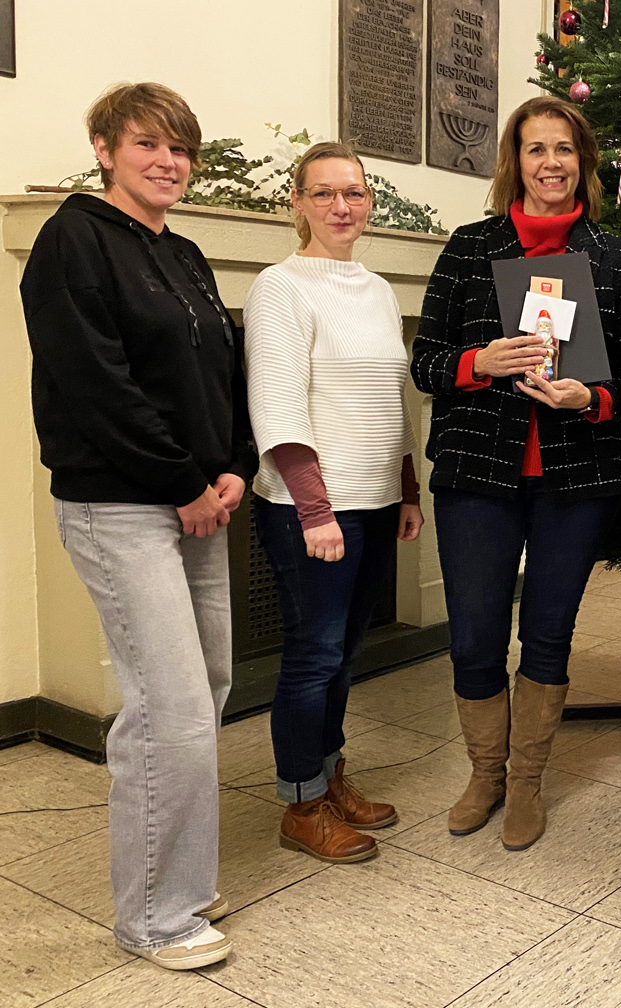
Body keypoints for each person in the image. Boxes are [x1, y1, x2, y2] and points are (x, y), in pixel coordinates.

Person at [20, 82, 255, 969]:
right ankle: (154, 918)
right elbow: (96, 385)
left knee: (206, 690)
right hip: (119, 503)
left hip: (198, 495)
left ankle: (178, 878)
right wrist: (185, 482)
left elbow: (221, 372)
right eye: (150, 144)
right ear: (105, 146)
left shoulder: (185, 252)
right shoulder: (72, 240)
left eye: (182, 149)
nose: (169, 162)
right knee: (171, 712)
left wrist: (232, 463)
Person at [411, 96, 621, 852]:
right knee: (476, 634)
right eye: (537, 149)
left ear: (584, 163)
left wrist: (594, 397)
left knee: (548, 634)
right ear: (516, 161)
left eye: (565, 149)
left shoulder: (615, 260)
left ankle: (528, 781)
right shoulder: (470, 246)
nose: (551, 164)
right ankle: (484, 773)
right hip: (479, 473)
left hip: (575, 479)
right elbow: (425, 363)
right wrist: (481, 363)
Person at [244, 142, 423, 863]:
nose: (342, 208)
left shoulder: (377, 290)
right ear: (297, 202)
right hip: (309, 507)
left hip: (375, 500)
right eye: (324, 194)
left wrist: (406, 490)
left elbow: (392, 399)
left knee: (346, 654)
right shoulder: (279, 288)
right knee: (313, 656)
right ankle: (299, 803)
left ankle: (329, 774)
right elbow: (278, 405)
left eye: (354, 193)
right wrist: (316, 511)